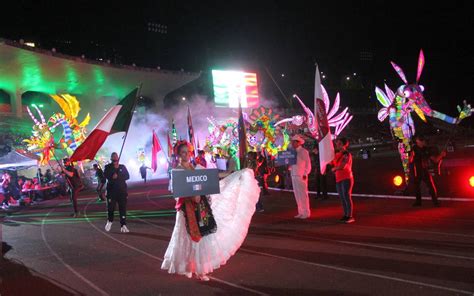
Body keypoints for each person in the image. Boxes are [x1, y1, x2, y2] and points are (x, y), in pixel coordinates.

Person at [162, 141, 260, 281]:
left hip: (199, 207)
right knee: (187, 238)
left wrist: (236, 174)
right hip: (186, 210)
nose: (186, 154)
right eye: (183, 152)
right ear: (178, 154)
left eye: (188, 152)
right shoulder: (177, 171)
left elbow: (208, 180)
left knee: (202, 238)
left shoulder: (195, 168)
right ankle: (189, 267)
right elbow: (177, 192)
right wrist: (191, 196)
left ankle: (200, 271)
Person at [409, 135, 445, 207]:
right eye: (421, 140)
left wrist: (441, 155)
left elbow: (435, 160)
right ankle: (419, 202)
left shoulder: (426, 149)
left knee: (430, 186)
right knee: (417, 186)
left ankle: (435, 202)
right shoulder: (414, 149)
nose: (424, 142)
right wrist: (411, 156)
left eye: (423, 140)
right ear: (418, 141)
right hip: (417, 170)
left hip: (424, 170)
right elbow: (410, 160)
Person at [104, 152, 130, 233]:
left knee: (122, 208)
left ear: (118, 157)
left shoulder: (122, 167)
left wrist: (118, 176)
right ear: (111, 158)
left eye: (116, 156)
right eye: (113, 156)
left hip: (122, 191)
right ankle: (110, 221)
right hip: (111, 192)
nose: (115, 157)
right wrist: (112, 176)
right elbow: (105, 175)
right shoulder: (108, 167)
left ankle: (123, 225)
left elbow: (127, 176)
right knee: (111, 208)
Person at [331, 138, 355, 223]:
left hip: (346, 178)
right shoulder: (336, 154)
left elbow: (342, 166)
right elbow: (331, 163)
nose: (338, 145)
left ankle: (350, 216)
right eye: (337, 143)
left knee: (346, 196)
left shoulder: (346, 154)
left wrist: (334, 169)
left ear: (345, 145)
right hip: (338, 178)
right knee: (342, 197)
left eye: (340, 143)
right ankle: (345, 215)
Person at [289, 135, 312, 219]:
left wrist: (305, 174)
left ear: (298, 143)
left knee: (303, 194)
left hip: (301, 175)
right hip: (294, 174)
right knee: (297, 194)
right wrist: (289, 166)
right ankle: (300, 211)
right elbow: (292, 164)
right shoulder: (292, 152)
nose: (292, 143)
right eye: (292, 142)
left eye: (294, 142)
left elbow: (308, 164)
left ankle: (306, 212)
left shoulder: (304, 151)